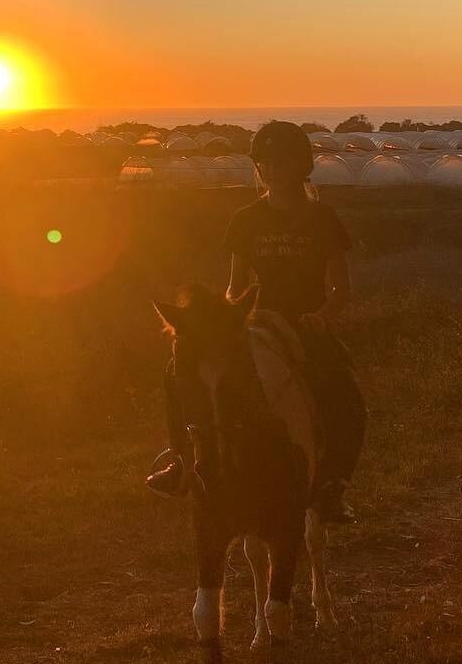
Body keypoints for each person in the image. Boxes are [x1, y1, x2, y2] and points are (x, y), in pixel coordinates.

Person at [148, 120, 367, 523]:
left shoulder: (323, 218)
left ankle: (333, 486)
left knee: (348, 401)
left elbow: (341, 289)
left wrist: (322, 318)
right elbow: (236, 286)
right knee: (176, 373)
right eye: (265, 163)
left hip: (305, 326)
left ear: (301, 166)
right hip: (254, 324)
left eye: (281, 162)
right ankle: (181, 461)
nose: (272, 170)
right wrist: (229, 320)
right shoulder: (246, 219)